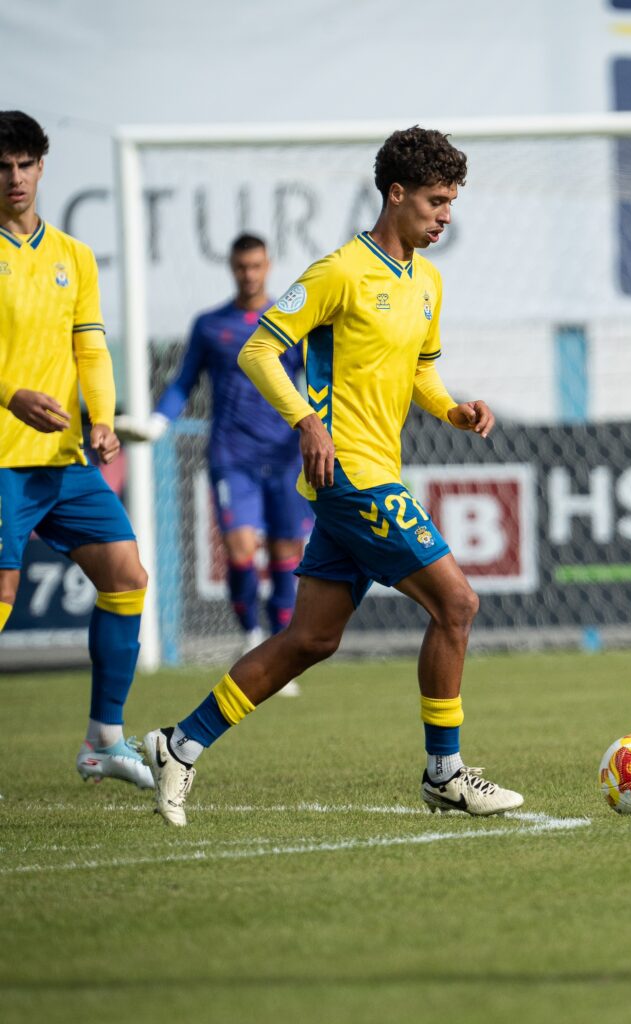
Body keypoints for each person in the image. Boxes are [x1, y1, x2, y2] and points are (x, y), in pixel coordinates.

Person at [141, 126, 523, 826]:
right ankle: (444, 774)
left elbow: (419, 371)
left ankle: (179, 743)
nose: (445, 216)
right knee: (457, 606)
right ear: (396, 193)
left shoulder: (427, 280)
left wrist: (453, 409)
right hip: (349, 474)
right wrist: (305, 422)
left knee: (311, 639)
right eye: (436, 201)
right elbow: (260, 350)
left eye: (451, 204)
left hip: (378, 470)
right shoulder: (339, 271)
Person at [0, 111, 151, 789]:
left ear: (41, 167)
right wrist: (12, 396)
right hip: (3, 455)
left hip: (64, 461)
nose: (13, 179)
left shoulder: (73, 255)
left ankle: (103, 742)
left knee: (126, 576)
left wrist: (101, 416)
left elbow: (89, 345)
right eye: (2, 167)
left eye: (24, 165)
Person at [116, 234, 309, 696]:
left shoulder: (290, 321)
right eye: (241, 266)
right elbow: (183, 382)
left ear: (269, 265)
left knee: (286, 556)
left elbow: (317, 377)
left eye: (256, 266)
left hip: (284, 456)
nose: (249, 274)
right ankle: (251, 638)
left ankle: (280, 652)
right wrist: (160, 422)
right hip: (231, 455)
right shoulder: (210, 325)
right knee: (241, 552)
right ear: (231, 267)